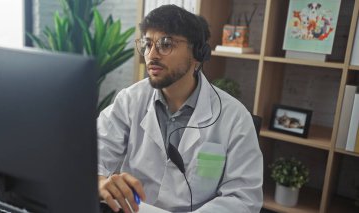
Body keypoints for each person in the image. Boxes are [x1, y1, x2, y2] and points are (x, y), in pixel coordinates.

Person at [97, 4, 263, 213]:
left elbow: (243, 199)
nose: (152, 54)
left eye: (165, 44)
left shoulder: (235, 118)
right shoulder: (130, 100)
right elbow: (93, 150)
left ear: (197, 53)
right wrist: (99, 180)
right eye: (147, 44)